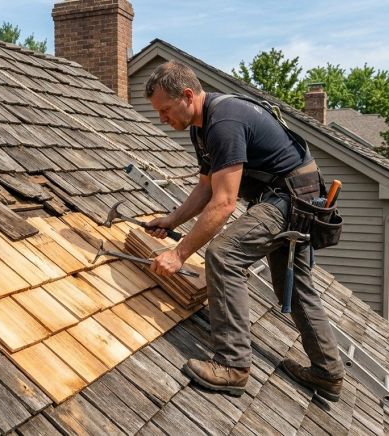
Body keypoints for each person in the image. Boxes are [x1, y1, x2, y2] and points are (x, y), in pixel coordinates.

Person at [143, 60, 344, 401]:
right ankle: (328, 373)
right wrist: (172, 220)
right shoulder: (201, 128)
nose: (162, 119)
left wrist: (179, 254)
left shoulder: (224, 122)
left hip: (291, 198)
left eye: (164, 110)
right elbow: (205, 188)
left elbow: (223, 203)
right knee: (292, 285)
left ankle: (233, 365)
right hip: (294, 197)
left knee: (224, 254)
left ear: (188, 95)